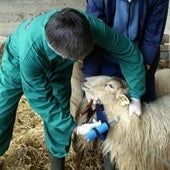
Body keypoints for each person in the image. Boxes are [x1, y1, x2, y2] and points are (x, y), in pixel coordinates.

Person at [0, 7, 146, 170]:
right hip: (16, 63)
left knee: (60, 112)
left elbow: (127, 51)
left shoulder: (89, 26)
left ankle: (57, 165)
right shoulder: (30, 55)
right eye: (77, 58)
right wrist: (75, 128)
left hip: (60, 69)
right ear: (61, 54)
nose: (81, 59)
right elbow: (38, 97)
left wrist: (136, 94)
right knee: (2, 111)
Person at [83, 1, 169, 169]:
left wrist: (137, 88)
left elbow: (152, 38)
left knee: (142, 122)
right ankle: (111, 163)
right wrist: (90, 77)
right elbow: (92, 33)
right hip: (108, 61)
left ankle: (145, 161)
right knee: (107, 120)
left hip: (142, 61)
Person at [83, 0, 169, 103]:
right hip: (108, 58)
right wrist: (89, 79)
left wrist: (142, 72)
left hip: (141, 58)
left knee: (144, 108)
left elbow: (152, 37)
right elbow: (94, 35)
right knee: (107, 107)